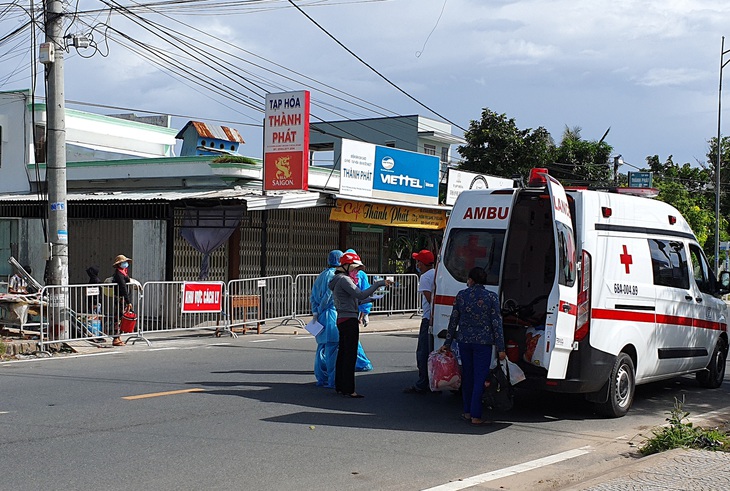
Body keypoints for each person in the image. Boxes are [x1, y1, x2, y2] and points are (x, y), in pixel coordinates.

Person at [438, 266, 505, 426]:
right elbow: (497, 323)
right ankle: (476, 415)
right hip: (483, 344)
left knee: (467, 376)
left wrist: (447, 343)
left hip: (464, 342)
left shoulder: (462, 295)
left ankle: (468, 412)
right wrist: (501, 348)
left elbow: (453, 321)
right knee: (479, 378)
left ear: (471, 280)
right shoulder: (491, 297)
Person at [329, 252, 390, 398]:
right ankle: (349, 389)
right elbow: (360, 295)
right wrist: (379, 284)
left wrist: (371, 299)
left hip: (343, 318)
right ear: (345, 266)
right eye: (354, 268)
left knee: (343, 354)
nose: (356, 271)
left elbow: (356, 299)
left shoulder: (338, 279)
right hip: (349, 320)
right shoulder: (344, 280)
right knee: (349, 355)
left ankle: (340, 386)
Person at [404, 249, 436, 394]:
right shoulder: (436, 273)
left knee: (423, 352)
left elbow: (429, 299)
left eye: (418, 261)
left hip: (428, 318)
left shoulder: (424, 277)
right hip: (434, 319)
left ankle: (423, 383)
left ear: (422, 263)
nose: (417, 264)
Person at [310, 250, 343, 388]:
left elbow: (313, 296)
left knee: (321, 348)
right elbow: (328, 296)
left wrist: (315, 312)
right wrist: (321, 308)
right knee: (332, 349)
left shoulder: (321, 275)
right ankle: (332, 381)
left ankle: (321, 378)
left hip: (321, 316)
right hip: (330, 313)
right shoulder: (333, 275)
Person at [344, 248, 374, 372]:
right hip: (346, 311)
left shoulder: (359, 275)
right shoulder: (342, 276)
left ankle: (360, 362)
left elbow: (364, 295)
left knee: (350, 339)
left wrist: (364, 314)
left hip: (350, 311)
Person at [111, 254, 134, 347]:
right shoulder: (119, 274)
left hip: (122, 298)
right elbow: (123, 287)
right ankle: (116, 338)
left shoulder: (123, 272)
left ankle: (118, 336)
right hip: (120, 298)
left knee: (121, 317)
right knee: (118, 317)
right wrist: (128, 301)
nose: (126, 264)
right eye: (123, 262)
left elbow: (127, 280)